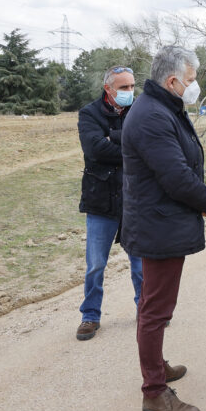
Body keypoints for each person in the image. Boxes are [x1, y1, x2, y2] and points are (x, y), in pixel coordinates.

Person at [121, 46, 206, 411]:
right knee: (155, 310)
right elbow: (176, 175)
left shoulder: (161, 108)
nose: (195, 87)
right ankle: (154, 392)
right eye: (192, 81)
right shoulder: (151, 115)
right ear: (173, 80)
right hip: (157, 225)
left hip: (160, 222)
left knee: (155, 305)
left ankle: (156, 367)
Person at [76, 65, 142, 341]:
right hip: (100, 199)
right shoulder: (88, 114)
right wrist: (128, 147)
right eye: (123, 87)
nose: (130, 92)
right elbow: (94, 149)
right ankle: (90, 315)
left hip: (134, 198)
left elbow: (145, 145)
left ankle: (146, 312)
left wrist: (112, 138)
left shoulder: (139, 111)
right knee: (95, 264)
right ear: (108, 89)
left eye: (132, 86)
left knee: (141, 263)